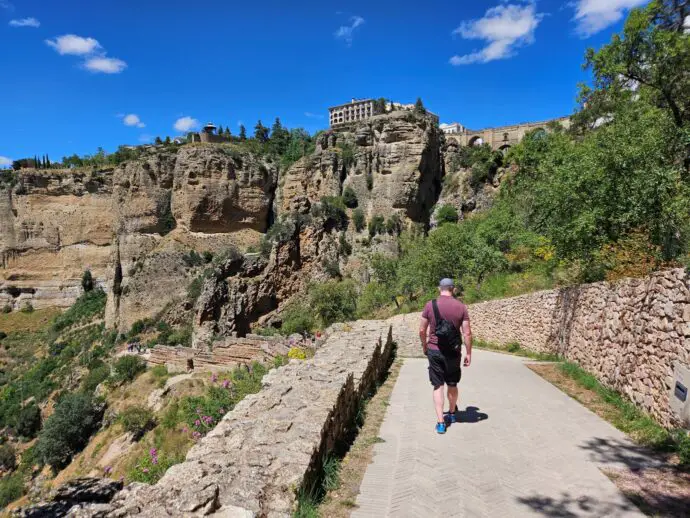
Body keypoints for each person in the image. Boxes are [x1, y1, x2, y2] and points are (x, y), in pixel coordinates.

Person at [419, 278, 472, 434]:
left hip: (434, 350)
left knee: (438, 386)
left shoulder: (430, 305)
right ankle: (452, 413)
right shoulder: (461, 307)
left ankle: (441, 423)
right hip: (453, 352)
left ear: (439, 289)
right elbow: (467, 333)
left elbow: (422, 330)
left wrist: (425, 345)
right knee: (452, 383)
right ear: (453, 289)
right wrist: (468, 353)